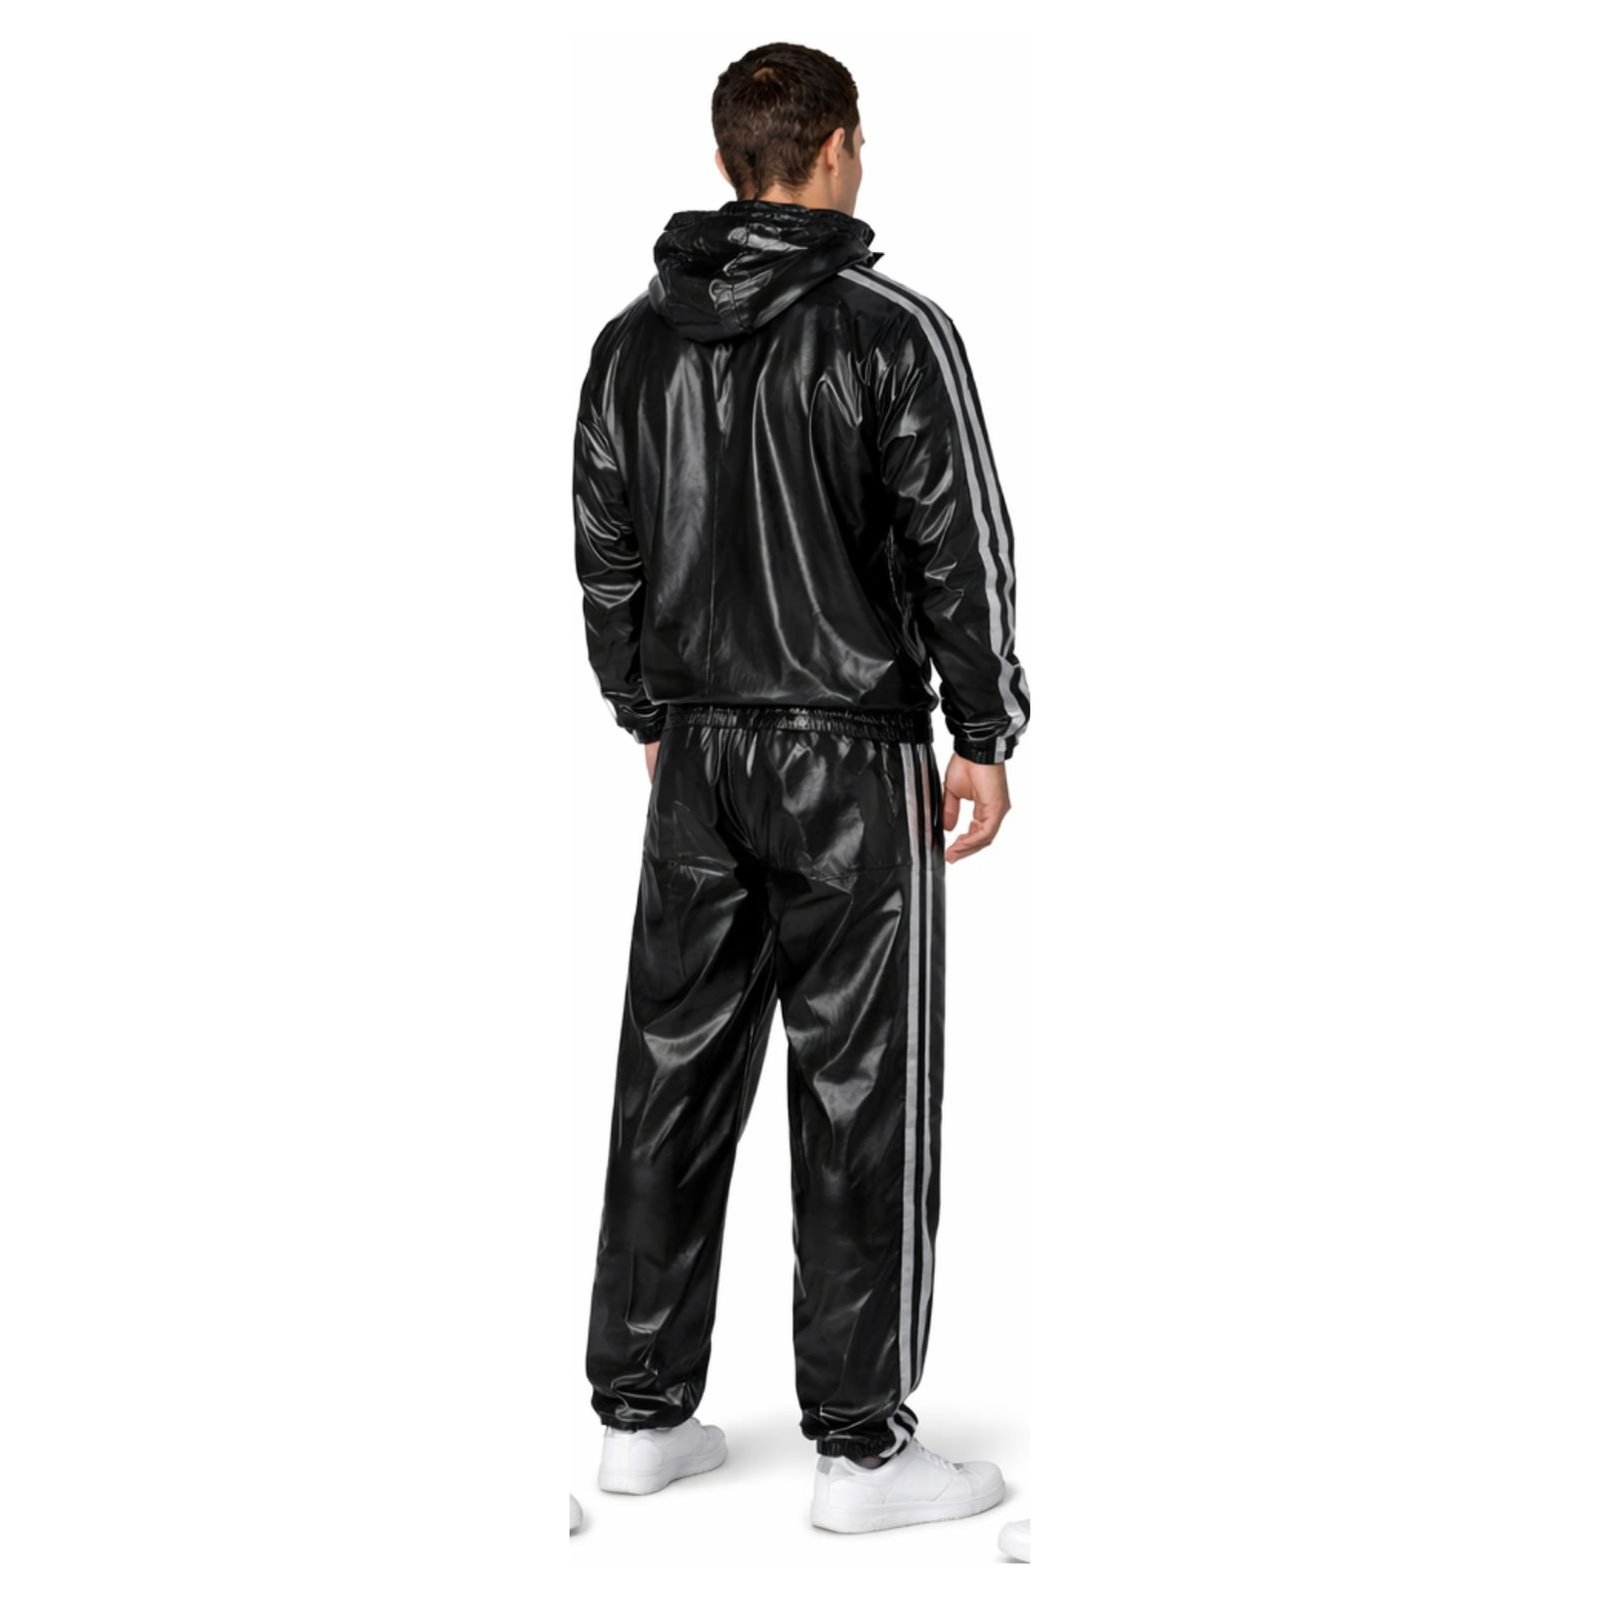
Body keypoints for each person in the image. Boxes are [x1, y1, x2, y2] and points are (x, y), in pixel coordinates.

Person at [573, 42, 1030, 1536]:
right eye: (859, 141)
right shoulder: (893, 332)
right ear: (833, 148)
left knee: (671, 1073)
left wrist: (647, 706)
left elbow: (606, 545)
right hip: (849, 749)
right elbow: (959, 540)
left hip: (700, 755)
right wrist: (984, 730)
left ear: (729, 163)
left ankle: (641, 1421)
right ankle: (861, 1454)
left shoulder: (631, 345)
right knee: (860, 1089)